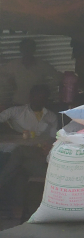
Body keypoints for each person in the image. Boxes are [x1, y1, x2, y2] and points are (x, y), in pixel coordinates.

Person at [0, 84, 58, 223]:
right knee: (20, 169)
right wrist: (13, 132)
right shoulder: (17, 111)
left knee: (19, 154)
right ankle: (18, 213)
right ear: (30, 97)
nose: (39, 100)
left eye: (43, 97)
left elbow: (53, 139)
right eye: (37, 96)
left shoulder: (51, 116)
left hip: (40, 155)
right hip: (22, 154)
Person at [0, 39, 59, 107]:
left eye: (29, 48)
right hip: (18, 103)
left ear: (34, 49)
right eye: (25, 48)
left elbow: (58, 77)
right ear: (21, 50)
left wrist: (46, 88)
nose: (27, 51)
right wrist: (8, 81)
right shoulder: (14, 64)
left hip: (37, 104)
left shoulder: (42, 65)